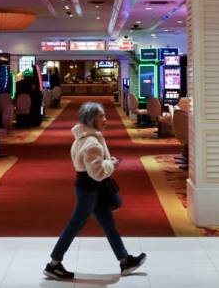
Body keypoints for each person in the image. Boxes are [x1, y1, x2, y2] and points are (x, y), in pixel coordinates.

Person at [45, 102, 146, 281]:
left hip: (90, 189)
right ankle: (53, 264)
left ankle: (124, 260)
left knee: (108, 224)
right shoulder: (92, 143)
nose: (105, 119)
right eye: (101, 116)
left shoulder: (83, 138)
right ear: (91, 119)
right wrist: (112, 164)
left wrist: (106, 163)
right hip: (89, 190)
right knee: (75, 225)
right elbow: (97, 173)